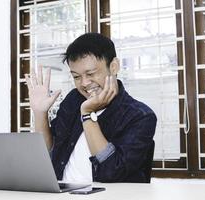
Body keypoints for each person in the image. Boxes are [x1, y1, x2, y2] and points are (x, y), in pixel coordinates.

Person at [25, 33, 157, 183]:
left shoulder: (140, 116)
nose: (84, 83)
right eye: (76, 76)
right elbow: (46, 157)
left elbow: (111, 171)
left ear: (113, 67)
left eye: (91, 73)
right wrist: (40, 113)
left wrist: (87, 114)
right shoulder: (73, 100)